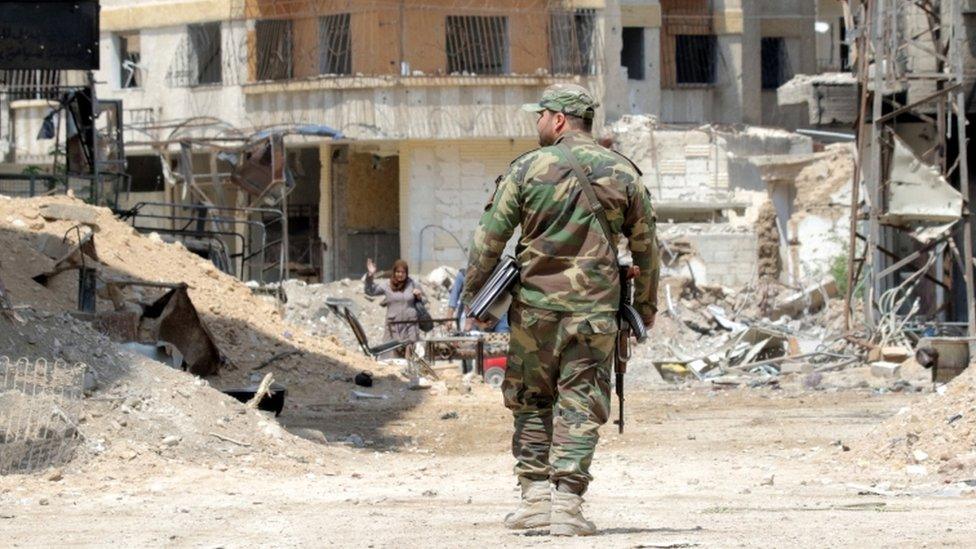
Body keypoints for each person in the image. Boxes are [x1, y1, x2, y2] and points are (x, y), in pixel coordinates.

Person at [461, 83, 659, 536]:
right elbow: (647, 248)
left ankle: (534, 499)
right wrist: (645, 305)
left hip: (534, 311)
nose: (536, 124)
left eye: (540, 116)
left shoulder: (527, 169)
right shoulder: (624, 173)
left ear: (559, 120)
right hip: (595, 312)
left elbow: (489, 237)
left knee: (531, 401)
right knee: (580, 403)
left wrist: (477, 297)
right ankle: (566, 505)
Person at [364, 258, 427, 349]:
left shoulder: (412, 284)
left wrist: (419, 297)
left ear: (406, 273)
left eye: (403, 272)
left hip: (410, 326)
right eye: (398, 272)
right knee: (391, 352)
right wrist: (370, 275)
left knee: (411, 353)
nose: (400, 274)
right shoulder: (387, 285)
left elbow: (425, 301)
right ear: (394, 272)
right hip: (393, 326)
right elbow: (370, 291)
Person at [448, 268, 509, 333]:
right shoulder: (465, 277)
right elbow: (463, 303)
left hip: (493, 316)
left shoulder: (497, 279)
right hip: (476, 323)